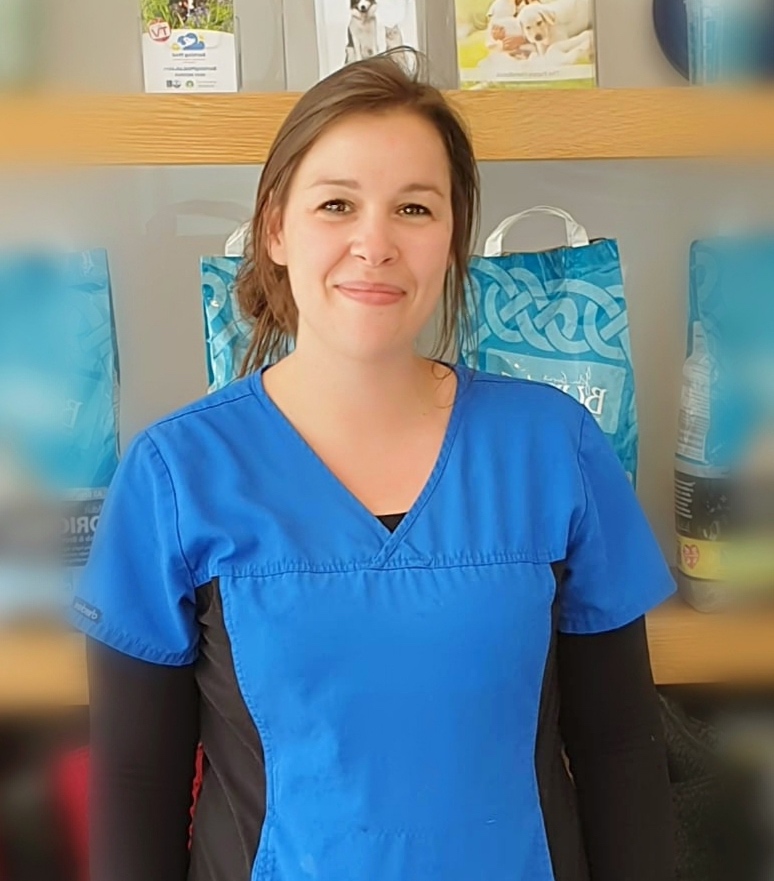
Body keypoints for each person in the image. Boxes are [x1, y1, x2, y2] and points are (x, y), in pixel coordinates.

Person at [74, 50, 677, 881]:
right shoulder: (175, 475)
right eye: (337, 204)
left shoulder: (554, 448)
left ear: (453, 238)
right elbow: (136, 788)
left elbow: (621, 752)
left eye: (414, 208)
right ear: (275, 230)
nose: (375, 243)